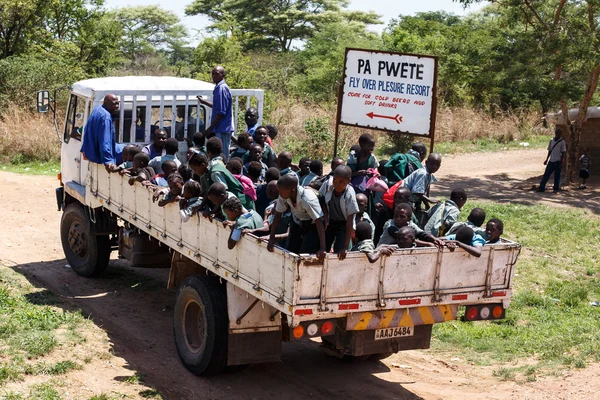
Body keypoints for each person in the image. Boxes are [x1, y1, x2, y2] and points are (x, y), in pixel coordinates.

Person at [267, 174, 327, 260]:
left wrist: (322, 248)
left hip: (313, 224)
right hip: (298, 220)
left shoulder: (307, 199)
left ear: (292, 190)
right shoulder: (284, 194)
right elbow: (277, 215)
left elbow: (319, 221)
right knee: (290, 251)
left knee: (304, 253)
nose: (279, 194)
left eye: (281, 191)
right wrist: (271, 237)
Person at [319, 165, 359, 260]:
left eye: (341, 182)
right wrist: (326, 216)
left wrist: (345, 247)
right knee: (323, 248)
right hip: (330, 220)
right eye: (335, 180)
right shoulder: (327, 185)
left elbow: (349, 222)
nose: (337, 184)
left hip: (344, 223)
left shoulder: (349, 194)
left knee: (339, 251)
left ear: (349, 181)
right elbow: (321, 199)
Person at [198, 66, 233, 160]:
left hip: (222, 128)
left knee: (223, 155)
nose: (214, 76)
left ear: (223, 75)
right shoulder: (219, 88)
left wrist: (210, 128)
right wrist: (204, 102)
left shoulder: (222, 89)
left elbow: (221, 112)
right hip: (220, 128)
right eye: (212, 74)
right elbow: (218, 106)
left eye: (217, 73)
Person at [80, 93, 121, 172]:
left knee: (124, 147)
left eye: (117, 104)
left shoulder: (97, 110)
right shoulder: (106, 117)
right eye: (114, 104)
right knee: (131, 150)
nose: (116, 107)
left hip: (90, 152)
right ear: (105, 102)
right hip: (97, 155)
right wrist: (109, 162)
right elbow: (105, 142)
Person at [537, 128, 567, 193]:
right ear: (555, 133)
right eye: (557, 133)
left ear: (561, 134)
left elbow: (563, 152)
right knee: (546, 175)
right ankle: (541, 187)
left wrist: (562, 162)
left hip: (558, 161)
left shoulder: (562, 142)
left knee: (557, 176)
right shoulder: (551, 141)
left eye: (559, 133)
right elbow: (550, 150)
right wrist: (547, 159)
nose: (558, 134)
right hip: (551, 161)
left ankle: (555, 189)